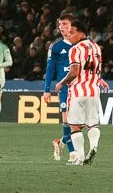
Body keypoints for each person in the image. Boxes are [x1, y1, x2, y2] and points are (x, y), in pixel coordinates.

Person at [58, 12, 104, 165]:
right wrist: (100, 80)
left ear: (81, 33)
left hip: (77, 92)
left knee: (74, 126)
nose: (69, 36)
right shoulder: (96, 47)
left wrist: (61, 83)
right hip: (94, 91)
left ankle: (80, 157)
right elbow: (94, 69)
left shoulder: (75, 49)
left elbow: (74, 72)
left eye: (72, 32)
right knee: (93, 124)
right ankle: (94, 146)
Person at [41, 20, 74, 164]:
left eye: (64, 24)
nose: (61, 27)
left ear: (72, 26)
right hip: (64, 88)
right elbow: (50, 68)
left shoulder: (80, 44)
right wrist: (46, 89)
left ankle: (60, 143)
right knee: (67, 121)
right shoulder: (55, 46)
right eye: (60, 25)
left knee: (80, 124)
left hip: (79, 87)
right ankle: (73, 154)